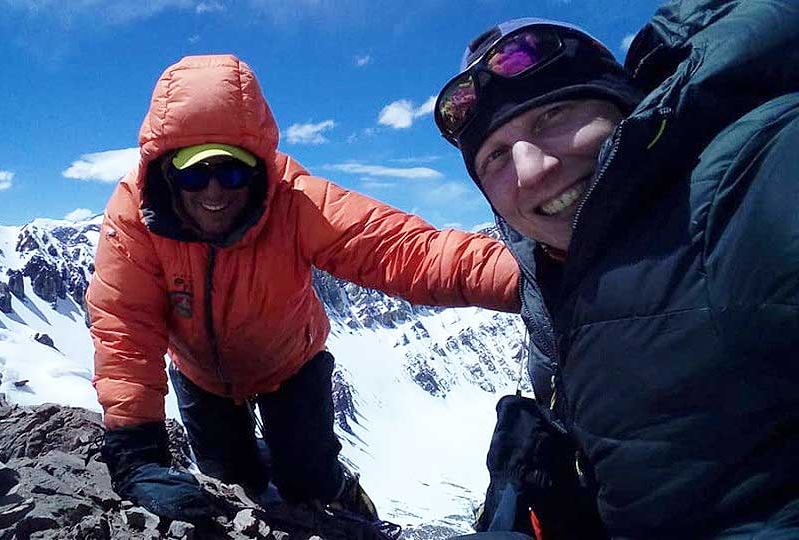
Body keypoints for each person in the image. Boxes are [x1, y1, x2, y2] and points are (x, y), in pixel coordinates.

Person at [86, 54, 521, 526]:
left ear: (258, 168)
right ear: (167, 170)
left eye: (231, 171)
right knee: (233, 482)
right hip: (201, 376)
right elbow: (125, 325)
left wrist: (531, 276)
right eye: (194, 173)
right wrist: (137, 453)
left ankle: (342, 489)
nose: (214, 192)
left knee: (310, 479)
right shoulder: (137, 214)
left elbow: (403, 251)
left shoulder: (293, 200)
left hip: (292, 365)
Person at [434, 2, 799, 538]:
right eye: (495, 157)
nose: (531, 170)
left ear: (624, 106)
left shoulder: (741, 187)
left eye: (553, 116)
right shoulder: (549, 268)